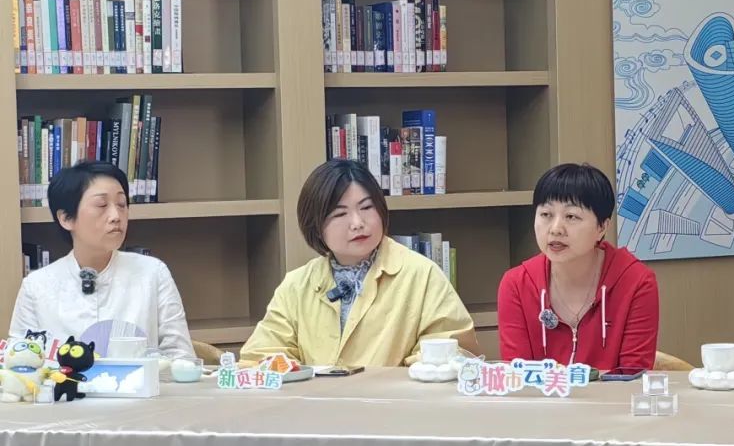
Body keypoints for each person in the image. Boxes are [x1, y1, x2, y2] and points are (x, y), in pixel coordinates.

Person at [240, 159, 477, 367]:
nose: (357, 223)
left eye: (366, 207)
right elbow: (262, 357)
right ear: (315, 225)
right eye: (340, 214)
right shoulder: (296, 285)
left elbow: (452, 352)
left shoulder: (421, 274)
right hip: (315, 404)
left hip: (393, 403)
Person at [9, 161, 195, 359]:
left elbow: (182, 357)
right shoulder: (37, 286)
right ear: (66, 218)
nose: (116, 216)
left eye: (122, 205)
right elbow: (18, 362)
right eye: (101, 205)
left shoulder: (153, 273)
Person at [497, 163, 659, 372]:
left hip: (614, 395)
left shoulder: (636, 282)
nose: (556, 229)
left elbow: (632, 376)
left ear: (602, 227)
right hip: (542, 394)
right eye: (546, 214)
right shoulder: (517, 284)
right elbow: (518, 374)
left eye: (571, 216)